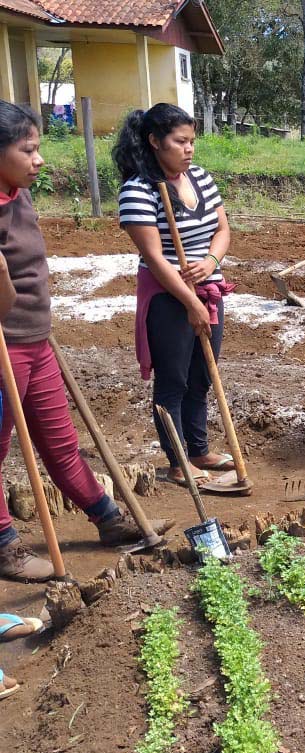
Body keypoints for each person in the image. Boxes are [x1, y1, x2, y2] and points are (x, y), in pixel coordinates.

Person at [0, 101, 170, 583]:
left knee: (61, 443)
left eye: (38, 148)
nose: (39, 159)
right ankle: (4, 546)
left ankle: (108, 518)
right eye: (27, 150)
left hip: (36, 342)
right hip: (3, 348)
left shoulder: (19, 195)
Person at [116, 103, 236, 486]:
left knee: (202, 375)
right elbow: (154, 258)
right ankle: (178, 461)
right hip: (169, 298)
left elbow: (223, 230)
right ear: (155, 141)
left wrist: (211, 260)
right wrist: (190, 301)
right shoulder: (138, 190)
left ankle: (199, 450)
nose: (189, 149)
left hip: (208, 290)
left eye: (192, 141)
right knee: (174, 381)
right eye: (180, 141)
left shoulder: (201, 178)